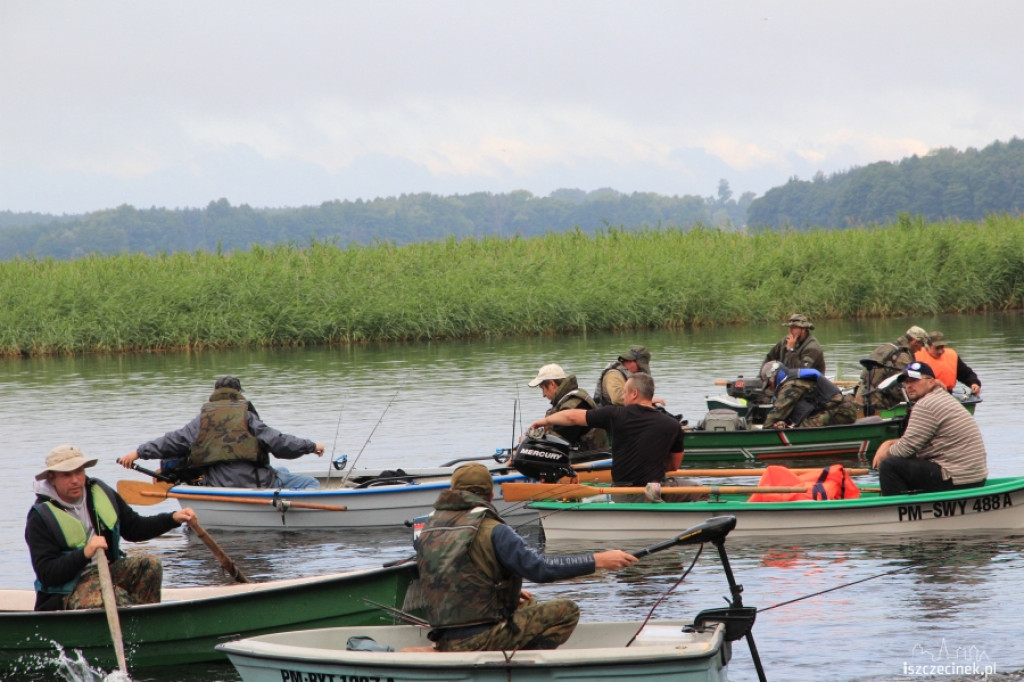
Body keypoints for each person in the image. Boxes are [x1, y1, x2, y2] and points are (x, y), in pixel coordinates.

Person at [415, 462, 637, 652]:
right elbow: (539, 569)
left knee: (527, 602)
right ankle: (520, 664)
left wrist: (495, 590)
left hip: (443, 637)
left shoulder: (427, 528)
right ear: (491, 495)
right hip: (478, 641)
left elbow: (443, 572)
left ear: (452, 490)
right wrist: (598, 561)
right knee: (566, 611)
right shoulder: (493, 529)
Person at [26, 444, 197, 611]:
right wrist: (85, 553)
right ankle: (130, 629)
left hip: (104, 573)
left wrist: (173, 518)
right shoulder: (40, 517)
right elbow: (47, 574)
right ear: (51, 478)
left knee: (150, 564)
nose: (75, 480)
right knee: (118, 598)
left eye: (79, 471)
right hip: (67, 589)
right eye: (66, 475)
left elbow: (135, 528)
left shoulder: (99, 492)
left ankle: (144, 625)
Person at [117, 375, 325, 489]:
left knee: (283, 472)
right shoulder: (247, 416)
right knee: (309, 483)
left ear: (215, 395)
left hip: (216, 484)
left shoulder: (203, 420)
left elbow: (173, 440)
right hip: (253, 483)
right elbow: (279, 443)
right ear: (239, 395)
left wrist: (138, 453)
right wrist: (311, 446)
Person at [532, 373, 698, 502]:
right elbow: (674, 465)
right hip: (654, 490)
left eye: (624, 393)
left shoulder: (615, 414)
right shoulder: (672, 425)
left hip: (621, 492)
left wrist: (544, 421)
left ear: (634, 393)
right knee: (700, 491)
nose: (623, 397)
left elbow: (572, 417)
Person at [871, 361, 988, 496]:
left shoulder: (926, 405)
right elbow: (914, 442)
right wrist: (889, 443)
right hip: (973, 477)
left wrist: (884, 453)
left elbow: (904, 449)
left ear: (931, 382)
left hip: (958, 479)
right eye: (906, 382)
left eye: (914, 380)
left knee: (889, 465)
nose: (909, 386)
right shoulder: (941, 397)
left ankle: (895, 512)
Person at [526, 363, 608, 453]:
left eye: (543, 389)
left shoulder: (574, 404)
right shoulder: (568, 399)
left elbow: (556, 441)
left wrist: (529, 439)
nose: (543, 395)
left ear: (552, 384)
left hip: (592, 457)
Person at [855, 326, 930, 414]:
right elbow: (902, 386)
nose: (920, 349)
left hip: (861, 396)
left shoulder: (886, 347)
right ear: (915, 342)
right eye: (921, 345)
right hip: (877, 403)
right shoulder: (902, 356)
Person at [759, 361, 857, 428]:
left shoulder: (791, 386)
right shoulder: (790, 379)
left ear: (774, 376)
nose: (770, 387)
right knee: (792, 424)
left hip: (842, 412)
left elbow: (778, 412)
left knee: (800, 429)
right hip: (831, 410)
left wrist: (764, 430)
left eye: (769, 384)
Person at [915, 331, 981, 396]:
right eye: (937, 348)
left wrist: (974, 383)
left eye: (942, 347)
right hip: (923, 395)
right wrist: (932, 381)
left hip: (947, 394)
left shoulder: (951, 356)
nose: (940, 351)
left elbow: (966, 374)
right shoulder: (916, 355)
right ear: (927, 346)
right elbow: (908, 377)